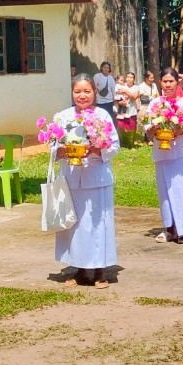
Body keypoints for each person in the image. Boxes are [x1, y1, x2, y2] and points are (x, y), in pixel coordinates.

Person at [50, 74, 120, 289]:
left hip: (97, 177)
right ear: (72, 93)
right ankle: (79, 268)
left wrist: (95, 148)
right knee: (75, 225)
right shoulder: (62, 117)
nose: (82, 96)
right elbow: (53, 147)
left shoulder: (103, 116)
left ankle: (100, 270)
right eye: (78, 91)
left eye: (87, 91)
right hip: (71, 178)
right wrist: (62, 150)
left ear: (94, 92)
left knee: (98, 224)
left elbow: (114, 146)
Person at [146, 67, 183, 244]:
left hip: (182, 154)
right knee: (165, 193)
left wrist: (181, 130)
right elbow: (146, 127)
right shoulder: (155, 104)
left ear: (177, 83)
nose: (168, 84)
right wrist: (152, 129)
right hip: (162, 153)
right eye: (165, 81)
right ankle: (169, 229)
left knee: (182, 191)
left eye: (171, 81)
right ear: (160, 83)